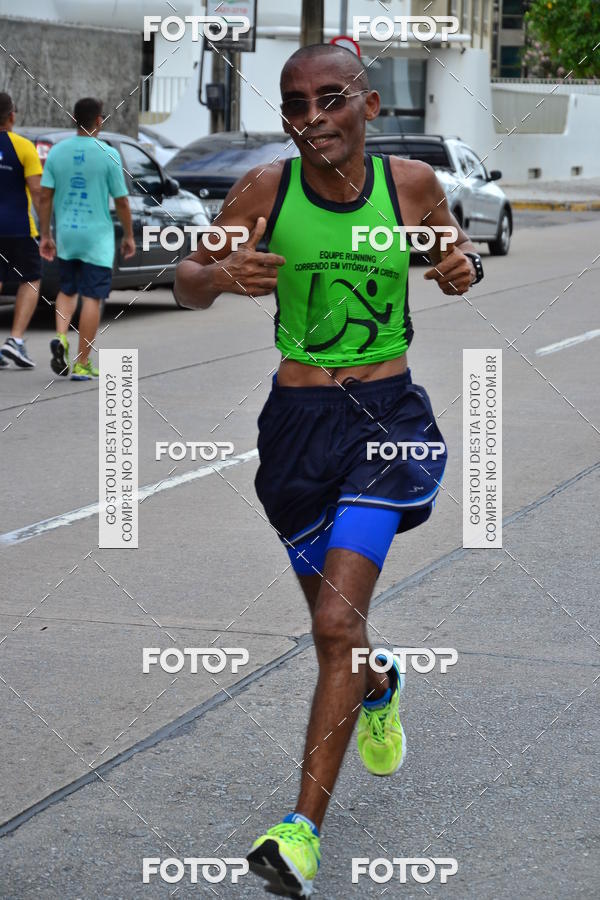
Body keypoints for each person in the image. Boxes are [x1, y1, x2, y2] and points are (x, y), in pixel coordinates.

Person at [174, 44, 484, 899]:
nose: (312, 117)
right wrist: (218, 273)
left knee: (333, 631)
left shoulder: (411, 187)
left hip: (386, 424)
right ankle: (379, 685)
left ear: (369, 107)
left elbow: (452, 258)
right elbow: (186, 278)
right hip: (296, 430)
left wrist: (460, 266)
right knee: (337, 629)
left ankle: (300, 831)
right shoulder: (266, 191)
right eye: (296, 103)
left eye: (330, 99)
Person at [38, 97, 135, 380]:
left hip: (67, 233)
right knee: (92, 296)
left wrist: (46, 234)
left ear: (73, 119)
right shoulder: (108, 154)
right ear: (99, 121)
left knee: (67, 290)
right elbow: (122, 202)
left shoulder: (57, 152)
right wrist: (128, 235)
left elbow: (45, 196)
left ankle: (61, 337)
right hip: (97, 237)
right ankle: (82, 362)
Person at [0, 92, 42, 369]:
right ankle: (15, 340)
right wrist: (48, 231)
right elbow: (38, 192)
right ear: (12, 116)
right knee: (32, 278)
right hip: (18, 229)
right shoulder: (25, 147)